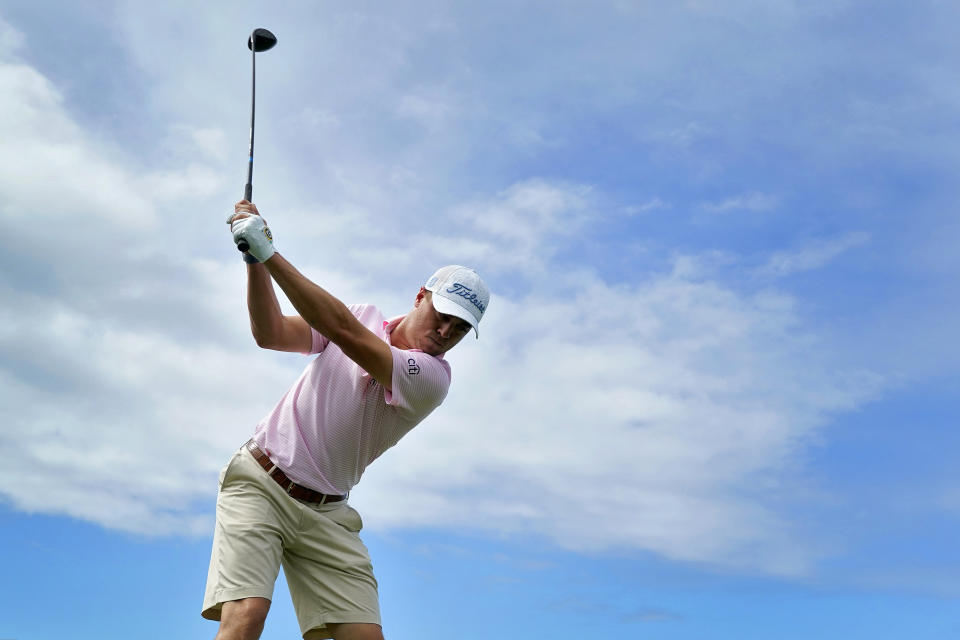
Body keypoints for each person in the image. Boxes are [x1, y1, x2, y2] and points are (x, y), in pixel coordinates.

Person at [201, 200, 490, 640]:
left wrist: (269, 253)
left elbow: (342, 331)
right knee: (247, 614)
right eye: (443, 316)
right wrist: (253, 261)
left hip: (329, 513)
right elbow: (271, 333)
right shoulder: (362, 317)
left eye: (460, 328)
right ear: (419, 297)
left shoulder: (432, 378)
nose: (446, 332)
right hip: (261, 480)